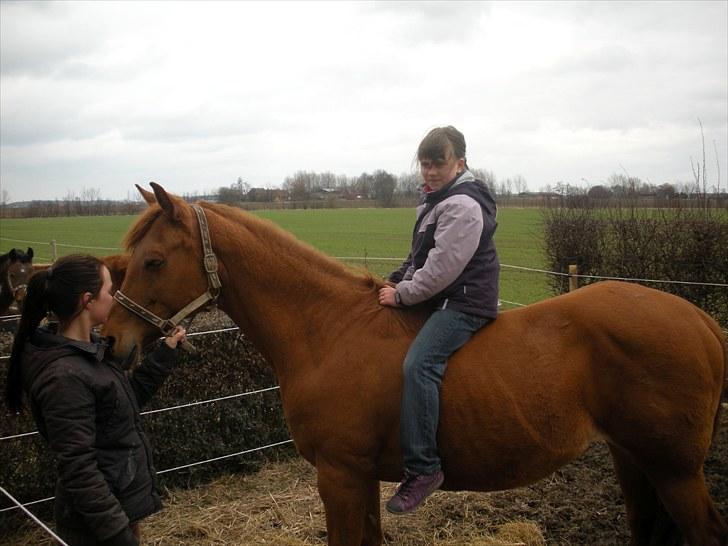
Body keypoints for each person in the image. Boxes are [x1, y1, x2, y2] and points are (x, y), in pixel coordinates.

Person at [5, 254, 187, 546]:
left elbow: (124, 402)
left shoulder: (88, 351)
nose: (115, 298)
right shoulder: (64, 377)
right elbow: (79, 469)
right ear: (88, 300)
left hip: (116, 509)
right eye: (109, 290)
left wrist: (165, 352)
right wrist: (118, 534)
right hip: (98, 528)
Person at [378, 126, 499, 514]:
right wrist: (396, 277)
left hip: (464, 303)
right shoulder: (436, 198)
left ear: (459, 162)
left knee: (419, 364)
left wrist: (402, 294)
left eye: (438, 163)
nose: (429, 172)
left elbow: (440, 270)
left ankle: (424, 468)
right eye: (425, 164)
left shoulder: (462, 205)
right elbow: (420, 257)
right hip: (445, 295)